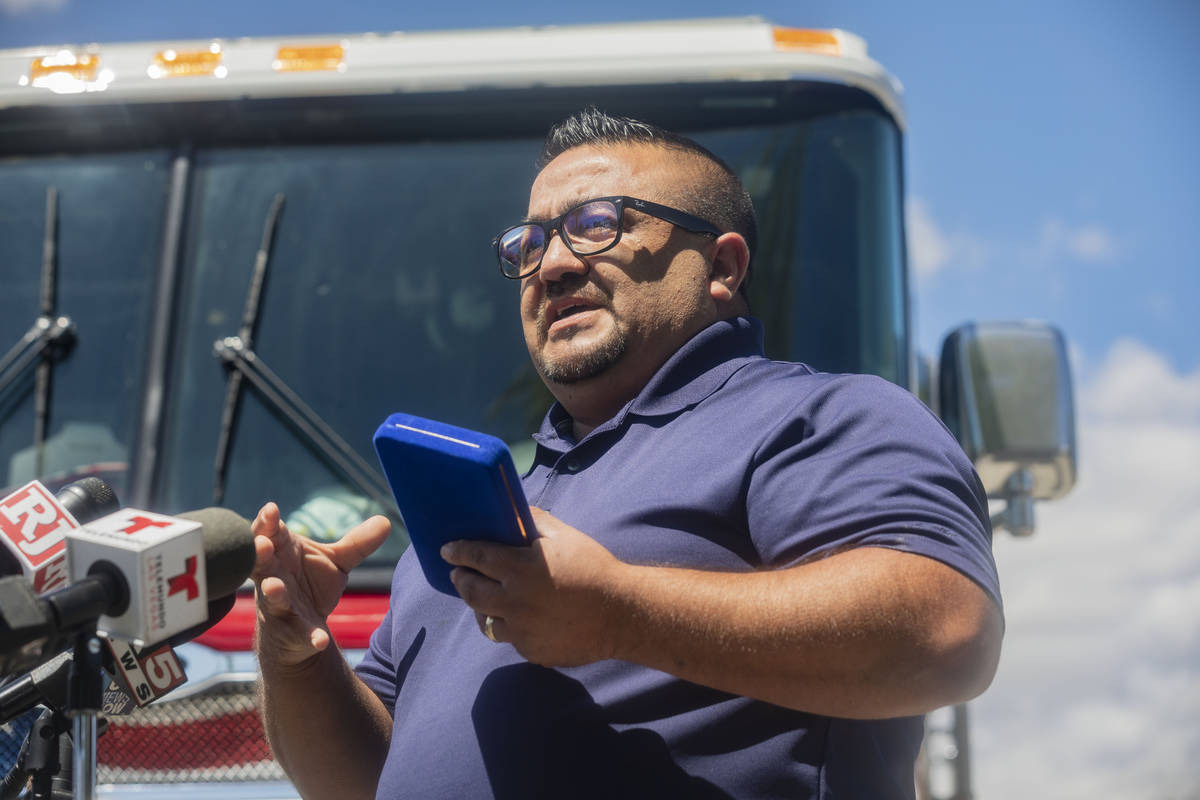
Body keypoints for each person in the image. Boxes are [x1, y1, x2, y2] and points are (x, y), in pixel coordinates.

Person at [252, 109, 1003, 799]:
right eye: (532, 242)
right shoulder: (473, 516)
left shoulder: (819, 416)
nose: (551, 266)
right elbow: (359, 785)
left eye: (597, 224)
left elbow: (945, 634)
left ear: (722, 268)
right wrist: (300, 659)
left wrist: (616, 614)